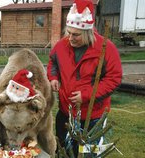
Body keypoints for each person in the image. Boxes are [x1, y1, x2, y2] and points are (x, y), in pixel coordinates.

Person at [46, 0, 122, 156]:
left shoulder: (106, 49)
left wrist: (86, 95)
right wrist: (53, 77)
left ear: (88, 32)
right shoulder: (61, 45)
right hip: (65, 113)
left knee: (88, 153)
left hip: (92, 116)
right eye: (68, 33)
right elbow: (53, 61)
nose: (70, 38)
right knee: (64, 151)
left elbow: (114, 78)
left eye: (76, 35)